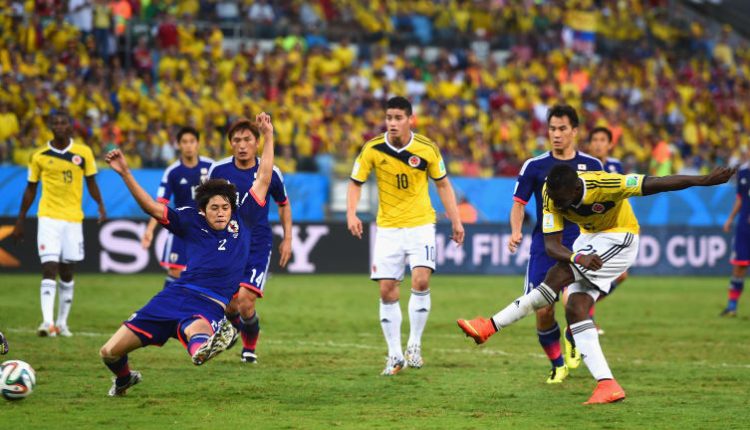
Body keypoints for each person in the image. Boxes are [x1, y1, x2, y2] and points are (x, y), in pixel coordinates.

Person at [458, 164, 736, 404]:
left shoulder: (605, 184)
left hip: (621, 237)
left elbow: (657, 183)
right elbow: (552, 244)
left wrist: (703, 180)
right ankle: (607, 385)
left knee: (557, 276)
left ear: (575, 188)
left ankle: (489, 326)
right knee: (575, 307)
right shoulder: (550, 194)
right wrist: (577, 256)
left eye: (562, 199)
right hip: (589, 240)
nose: (558, 204)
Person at [99, 113, 276, 397]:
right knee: (109, 352)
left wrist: (268, 136)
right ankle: (124, 379)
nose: (221, 212)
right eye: (214, 208)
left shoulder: (244, 218)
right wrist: (126, 174)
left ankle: (204, 348)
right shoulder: (189, 219)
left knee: (198, 339)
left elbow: (264, 177)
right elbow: (152, 208)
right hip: (172, 297)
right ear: (203, 209)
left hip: (208, 304)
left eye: (225, 207)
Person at [347, 96, 465, 376]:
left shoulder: (427, 149)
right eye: (389, 118)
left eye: (398, 118)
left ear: (410, 120)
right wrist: (351, 214)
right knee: (387, 290)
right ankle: (394, 355)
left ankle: (414, 344)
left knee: (421, 280)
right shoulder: (373, 148)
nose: (392, 123)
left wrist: (456, 220)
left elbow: (443, 185)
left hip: (421, 225)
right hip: (388, 229)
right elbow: (355, 183)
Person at [506, 104, 602, 384]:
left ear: (575, 131)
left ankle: (573, 335)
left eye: (562, 129)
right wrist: (515, 232)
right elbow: (518, 204)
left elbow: (606, 203)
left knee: (573, 301)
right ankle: (557, 364)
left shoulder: (593, 166)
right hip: (546, 245)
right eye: (552, 129)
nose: (556, 134)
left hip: (581, 244)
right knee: (543, 309)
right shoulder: (534, 166)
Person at [12, 110, 106, 338]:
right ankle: (47, 323)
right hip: (48, 217)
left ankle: (62, 323)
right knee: (49, 267)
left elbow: (91, 182)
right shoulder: (39, 155)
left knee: (67, 271)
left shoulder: (83, 152)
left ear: (70, 126)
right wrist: (20, 219)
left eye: (64, 122)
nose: (60, 126)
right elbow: (30, 188)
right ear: (51, 127)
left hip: (73, 219)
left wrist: (101, 205)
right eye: (56, 123)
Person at [208, 116, 292, 364]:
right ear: (230, 144)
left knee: (246, 300)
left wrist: (288, 238)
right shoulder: (218, 171)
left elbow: (283, 204)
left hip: (257, 244)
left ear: (257, 142)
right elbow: (206, 206)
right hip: (228, 244)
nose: (242, 145)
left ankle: (249, 349)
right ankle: (235, 327)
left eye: (247, 139)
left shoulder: (270, 171)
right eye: (237, 140)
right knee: (231, 304)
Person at [141, 127, 214, 289]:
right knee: (175, 271)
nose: (188, 145)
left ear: (198, 143)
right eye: (184, 142)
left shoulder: (211, 167)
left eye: (192, 141)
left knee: (209, 273)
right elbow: (160, 204)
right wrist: (149, 230)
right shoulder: (172, 172)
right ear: (178, 145)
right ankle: (166, 304)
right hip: (182, 228)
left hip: (207, 228)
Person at [579, 126, 629, 335]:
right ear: (589, 145)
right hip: (589, 227)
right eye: (595, 140)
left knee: (621, 275)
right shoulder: (583, 166)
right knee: (591, 274)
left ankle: (583, 307)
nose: (598, 144)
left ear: (610, 145)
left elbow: (623, 195)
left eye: (602, 140)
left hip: (613, 227)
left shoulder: (616, 167)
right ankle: (585, 317)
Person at [720, 160, 749, 316]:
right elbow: (740, 198)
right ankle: (732, 307)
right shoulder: (743, 172)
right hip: (744, 226)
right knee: (739, 266)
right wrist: (730, 219)